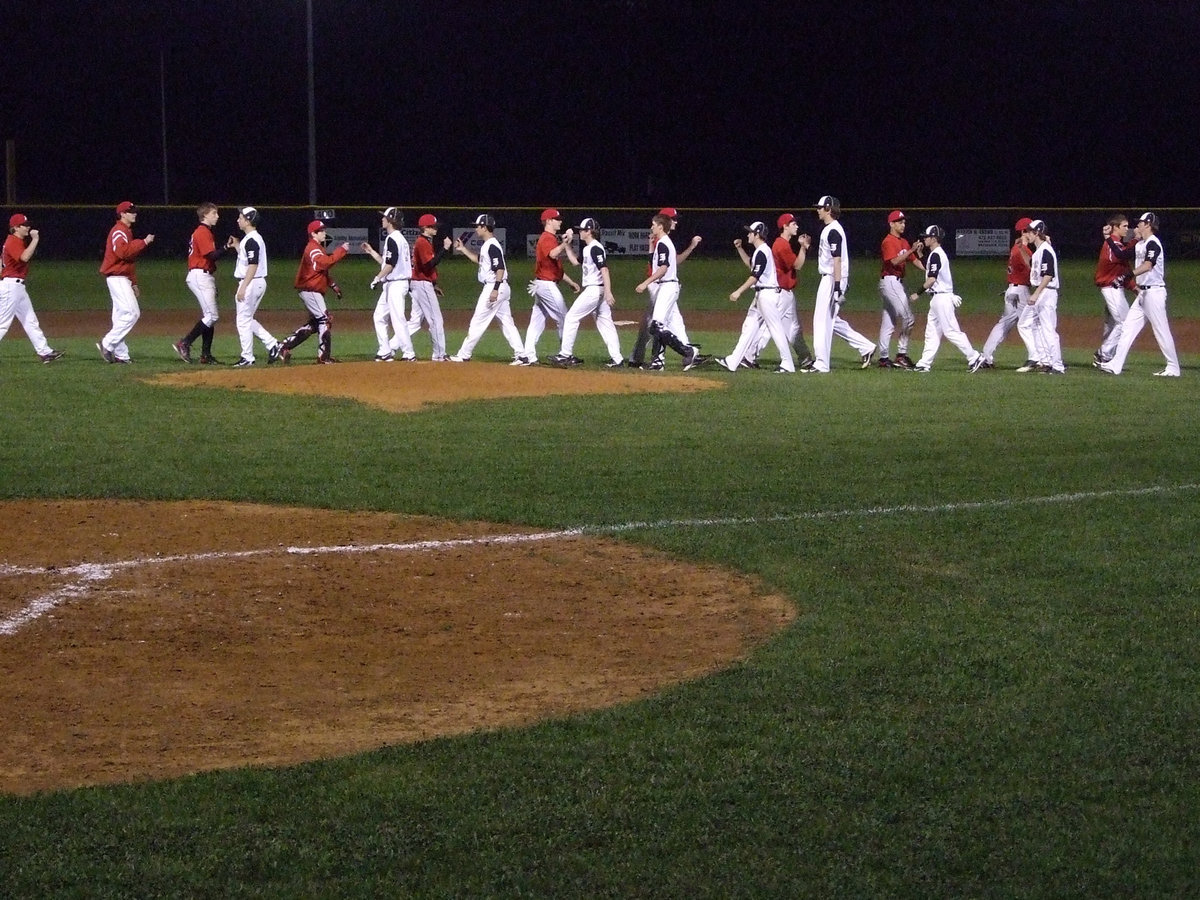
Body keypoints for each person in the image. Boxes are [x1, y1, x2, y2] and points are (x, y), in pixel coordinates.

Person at [1099, 212, 1180, 377]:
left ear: (1148, 224)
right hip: (1143, 294)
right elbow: (1121, 254)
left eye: (1140, 223)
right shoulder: (1141, 243)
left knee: (1161, 331)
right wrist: (1108, 238)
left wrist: (1128, 275)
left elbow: (1148, 265)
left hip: (1154, 293)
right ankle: (1115, 365)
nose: (1137, 225)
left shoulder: (1153, 243)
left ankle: (1173, 367)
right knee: (1127, 328)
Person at [806, 195, 875, 373]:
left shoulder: (833, 230)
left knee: (821, 320)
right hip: (833, 277)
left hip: (831, 278)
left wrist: (837, 287)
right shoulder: (830, 229)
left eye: (820, 207)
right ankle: (866, 347)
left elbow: (837, 260)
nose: (818, 210)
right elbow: (829, 257)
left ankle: (821, 363)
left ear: (828, 209)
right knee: (831, 320)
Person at [634, 213, 711, 371]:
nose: (651, 227)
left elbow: (663, 269)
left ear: (660, 226)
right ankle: (658, 362)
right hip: (666, 286)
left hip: (667, 286)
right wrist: (650, 246)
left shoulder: (663, 243)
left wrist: (645, 283)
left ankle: (688, 351)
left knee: (656, 326)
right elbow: (654, 263)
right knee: (659, 325)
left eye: (654, 225)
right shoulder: (662, 243)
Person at [738, 213, 815, 369]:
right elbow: (798, 265)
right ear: (784, 226)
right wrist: (803, 247)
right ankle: (749, 356)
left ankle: (804, 358)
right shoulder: (781, 245)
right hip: (778, 292)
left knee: (790, 328)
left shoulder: (781, 244)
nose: (797, 226)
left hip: (783, 293)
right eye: (793, 224)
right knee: (770, 328)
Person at [718, 221, 795, 373]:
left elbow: (755, 276)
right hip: (762, 294)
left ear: (757, 234)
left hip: (767, 295)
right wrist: (740, 249)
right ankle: (733, 361)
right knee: (749, 328)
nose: (748, 234)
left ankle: (788, 363)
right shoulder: (761, 251)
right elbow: (751, 265)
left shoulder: (763, 251)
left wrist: (739, 291)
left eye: (750, 232)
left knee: (775, 329)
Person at [449, 214, 525, 363]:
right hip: (501, 287)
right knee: (507, 323)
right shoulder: (488, 245)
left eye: (478, 226)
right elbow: (480, 260)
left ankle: (464, 354)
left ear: (484, 227)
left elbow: (500, 268)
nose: (476, 229)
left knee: (478, 321)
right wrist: (463, 249)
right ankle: (522, 355)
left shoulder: (492, 245)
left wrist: (495, 289)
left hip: (494, 286)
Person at [908, 225, 984, 373]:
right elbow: (929, 269)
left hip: (942, 298)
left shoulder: (936, 254)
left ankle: (974, 357)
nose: (924, 239)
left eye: (927, 236)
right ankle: (924, 363)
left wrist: (918, 293)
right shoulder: (935, 254)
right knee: (932, 333)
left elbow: (931, 279)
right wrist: (920, 253)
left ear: (934, 238)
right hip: (938, 299)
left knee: (951, 331)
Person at [548, 218, 623, 367]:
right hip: (597, 289)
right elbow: (575, 262)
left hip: (595, 290)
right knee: (605, 323)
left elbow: (604, 269)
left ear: (589, 231)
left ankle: (565, 354)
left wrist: (608, 292)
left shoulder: (595, 248)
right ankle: (617, 358)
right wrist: (567, 245)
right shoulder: (588, 248)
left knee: (571, 317)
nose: (580, 232)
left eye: (582, 230)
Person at [277, 220, 349, 364]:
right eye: (321, 231)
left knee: (316, 323)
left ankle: (284, 346)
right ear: (313, 234)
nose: (324, 233)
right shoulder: (313, 249)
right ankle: (323, 357)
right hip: (310, 289)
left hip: (310, 289)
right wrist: (341, 250)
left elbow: (320, 271)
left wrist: (333, 285)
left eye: (323, 230)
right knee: (325, 319)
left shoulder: (317, 247)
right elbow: (325, 263)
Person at [0, 213, 65, 363]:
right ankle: (45, 351)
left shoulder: (14, 241)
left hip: (16, 287)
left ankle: (45, 352)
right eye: (25, 225)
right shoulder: (13, 241)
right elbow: (24, 257)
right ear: (16, 228)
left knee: (30, 320)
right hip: (11, 286)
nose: (28, 227)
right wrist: (35, 239)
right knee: (2, 323)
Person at [172, 202, 231, 365]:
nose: (217, 216)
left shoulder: (204, 231)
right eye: (214, 213)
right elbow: (212, 255)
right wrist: (227, 247)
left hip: (203, 275)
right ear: (205, 215)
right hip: (200, 275)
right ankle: (185, 343)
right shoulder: (202, 231)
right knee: (212, 316)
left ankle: (205, 355)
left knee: (209, 316)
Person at [97, 201, 154, 364]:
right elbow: (122, 252)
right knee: (132, 313)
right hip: (117, 277)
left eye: (134, 211)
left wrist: (133, 282)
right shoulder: (119, 231)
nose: (134, 213)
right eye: (130, 211)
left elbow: (129, 261)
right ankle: (107, 343)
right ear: (122, 214)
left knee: (120, 316)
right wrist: (143, 242)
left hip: (122, 278)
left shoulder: (126, 231)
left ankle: (121, 354)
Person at [521, 209, 579, 366]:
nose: (560, 221)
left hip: (542, 284)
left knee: (537, 322)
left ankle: (529, 355)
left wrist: (571, 282)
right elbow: (553, 254)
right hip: (546, 285)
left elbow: (555, 268)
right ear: (548, 221)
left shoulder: (550, 238)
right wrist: (565, 243)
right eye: (556, 219)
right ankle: (565, 354)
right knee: (565, 318)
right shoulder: (547, 237)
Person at [980, 217, 1038, 369]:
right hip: (1020, 292)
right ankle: (1036, 357)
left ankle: (986, 356)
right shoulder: (1022, 250)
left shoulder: (1015, 248)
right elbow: (1034, 269)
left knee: (1004, 324)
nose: (1033, 233)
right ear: (1024, 232)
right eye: (1030, 230)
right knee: (1031, 322)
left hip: (1013, 290)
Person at [360, 207, 416, 362]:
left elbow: (391, 265)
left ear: (391, 220)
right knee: (379, 316)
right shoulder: (398, 239)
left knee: (398, 319)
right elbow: (387, 263)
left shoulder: (393, 239)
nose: (382, 219)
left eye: (385, 217)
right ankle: (385, 351)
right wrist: (372, 252)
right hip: (393, 284)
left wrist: (377, 278)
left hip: (396, 284)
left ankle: (409, 353)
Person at [230, 207, 281, 367]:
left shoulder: (252, 239)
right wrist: (237, 246)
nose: (238, 220)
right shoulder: (251, 239)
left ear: (248, 220)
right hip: (256, 282)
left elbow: (253, 265)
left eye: (241, 218)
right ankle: (273, 345)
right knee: (247, 319)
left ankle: (247, 357)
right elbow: (247, 260)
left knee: (242, 321)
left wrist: (243, 287)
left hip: (251, 282)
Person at [877, 210, 923, 369]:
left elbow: (914, 260)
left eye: (904, 222)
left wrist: (929, 272)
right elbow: (894, 261)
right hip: (890, 282)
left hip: (894, 283)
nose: (903, 224)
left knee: (889, 321)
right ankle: (901, 355)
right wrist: (911, 250)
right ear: (891, 224)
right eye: (899, 222)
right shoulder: (888, 241)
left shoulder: (904, 241)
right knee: (908, 318)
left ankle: (883, 358)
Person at [1023, 219, 1066, 374]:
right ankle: (1046, 361)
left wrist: (1036, 294)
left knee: (1048, 329)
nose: (1027, 234)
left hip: (1046, 292)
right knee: (1029, 324)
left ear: (1037, 233)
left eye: (1029, 231)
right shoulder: (1040, 250)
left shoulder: (1046, 250)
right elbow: (1032, 267)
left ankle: (1057, 365)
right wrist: (1022, 247)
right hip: (1042, 291)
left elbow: (1049, 274)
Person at [1092, 214, 1135, 367]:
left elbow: (1122, 269)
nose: (1127, 229)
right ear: (1115, 227)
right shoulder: (1112, 245)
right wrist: (1135, 240)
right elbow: (1121, 257)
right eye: (1124, 226)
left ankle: (1106, 355)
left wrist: (1133, 287)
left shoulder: (1116, 244)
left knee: (1111, 324)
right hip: (1111, 288)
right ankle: (1103, 354)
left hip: (1113, 288)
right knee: (1124, 322)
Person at [408, 213, 451, 361]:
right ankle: (439, 354)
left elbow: (425, 268)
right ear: (425, 228)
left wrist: (434, 284)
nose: (436, 229)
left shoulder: (424, 241)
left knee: (415, 322)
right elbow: (428, 266)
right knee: (436, 320)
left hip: (421, 283)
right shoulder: (422, 242)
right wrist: (445, 249)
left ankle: (390, 347)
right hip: (422, 284)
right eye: (433, 227)